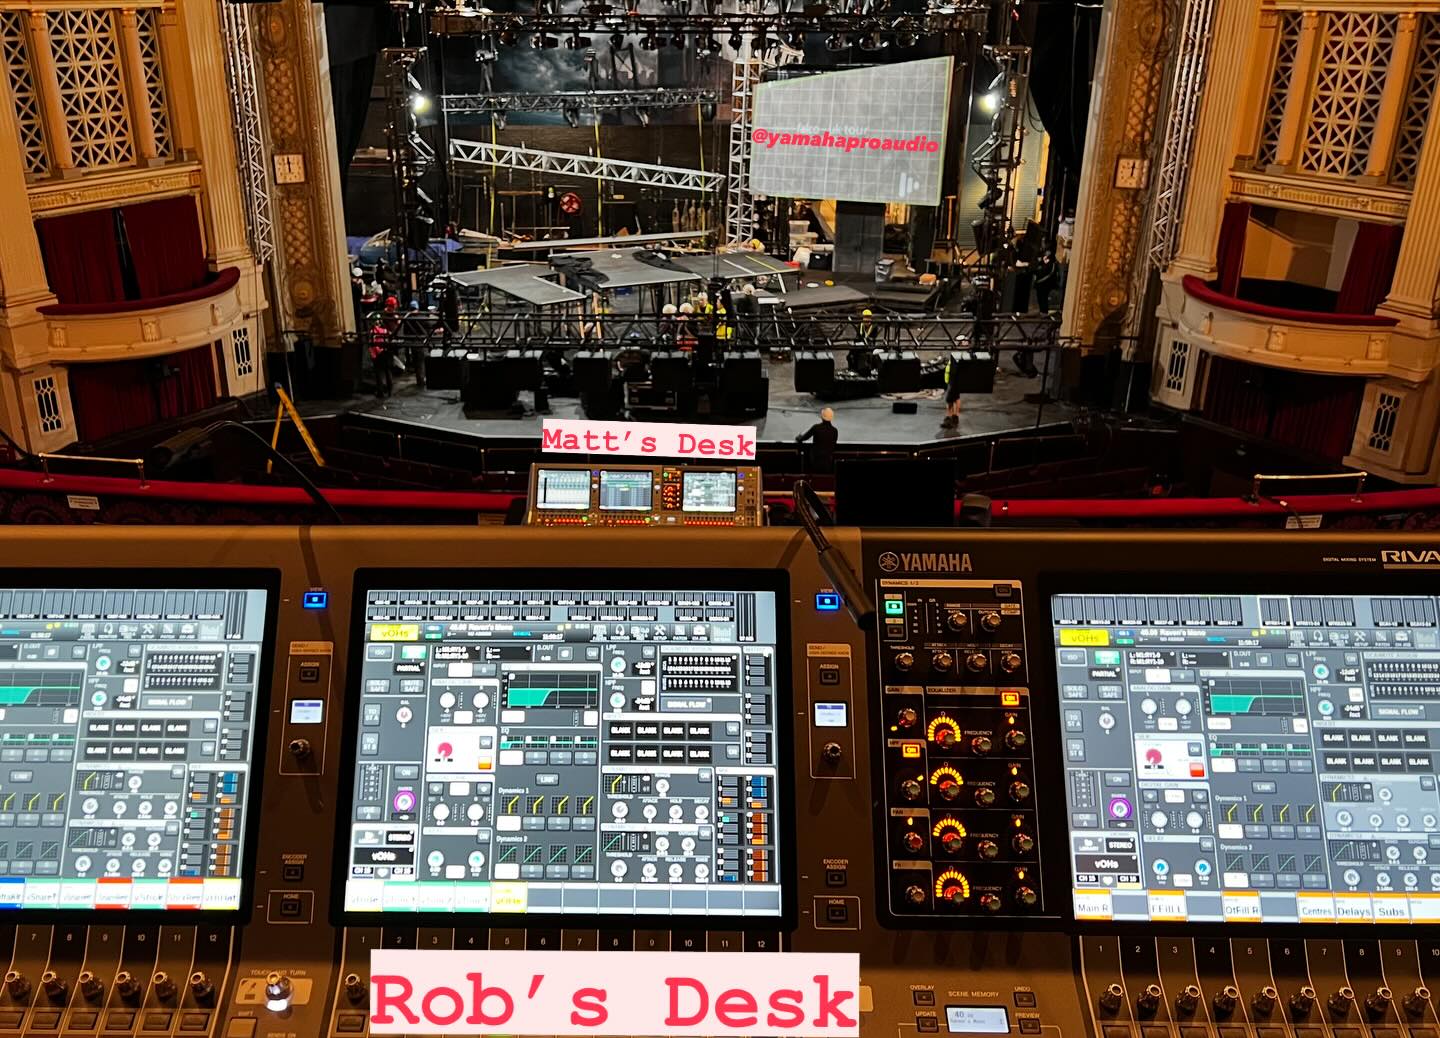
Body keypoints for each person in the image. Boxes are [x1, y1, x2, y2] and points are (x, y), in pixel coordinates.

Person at [796, 407, 838, 473]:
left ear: (822, 417)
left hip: (815, 460)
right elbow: (833, 445)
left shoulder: (816, 427)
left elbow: (803, 438)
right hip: (827, 461)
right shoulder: (835, 431)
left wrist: (798, 438)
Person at [942, 352, 964, 429]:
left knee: (950, 399)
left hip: (952, 382)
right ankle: (954, 416)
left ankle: (950, 416)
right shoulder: (953, 361)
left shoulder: (955, 361)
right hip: (951, 382)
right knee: (955, 398)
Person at [1033, 249, 1058, 313]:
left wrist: (1041, 280)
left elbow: (1050, 274)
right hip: (1039, 284)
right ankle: (1042, 311)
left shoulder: (1051, 264)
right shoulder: (1041, 264)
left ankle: (1044, 311)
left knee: (1044, 298)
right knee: (1040, 298)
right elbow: (1036, 271)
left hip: (1045, 284)